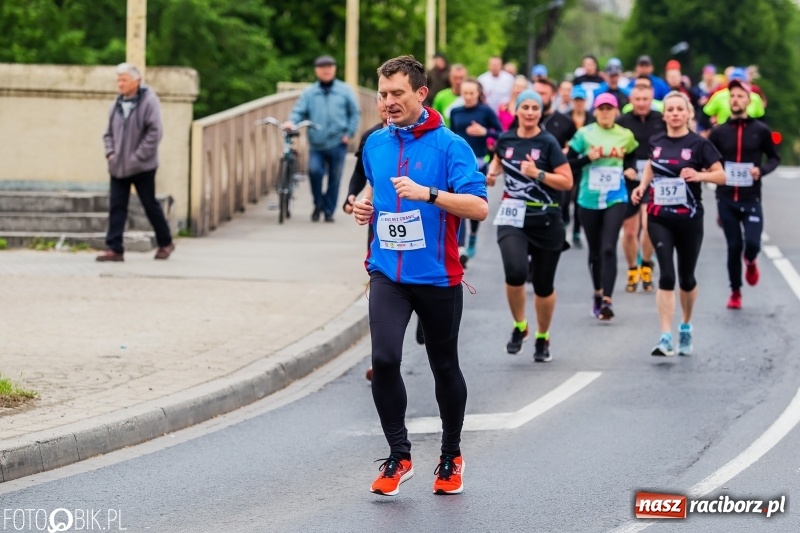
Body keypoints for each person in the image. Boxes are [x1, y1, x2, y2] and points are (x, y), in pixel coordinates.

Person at [352, 55, 488, 497]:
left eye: (397, 94)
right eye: (383, 94)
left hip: (437, 276)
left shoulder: (451, 146)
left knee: (443, 366)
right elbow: (372, 186)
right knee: (385, 360)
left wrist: (429, 194)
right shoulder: (374, 143)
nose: (388, 102)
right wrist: (362, 206)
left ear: (421, 94)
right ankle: (399, 455)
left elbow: (479, 207)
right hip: (387, 272)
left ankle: (451, 455)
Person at [631, 91, 726, 356]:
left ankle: (685, 325)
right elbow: (651, 164)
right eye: (670, 110)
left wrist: (699, 174)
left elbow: (722, 175)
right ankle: (664, 336)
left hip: (689, 219)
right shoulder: (657, 141)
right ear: (664, 115)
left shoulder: (699, 144)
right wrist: (642, 186)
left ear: (688, 114)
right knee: (667, 275)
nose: (674, 114)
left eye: (679, 110)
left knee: (686, 278)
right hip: (659, 216)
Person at [486, 89, 573, 362]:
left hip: (546, 220)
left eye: (535, 108)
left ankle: (542, 336)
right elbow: (498, 159)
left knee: (543, 285)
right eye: (525, 107)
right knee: (515, 271)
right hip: (512, 217)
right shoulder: (506, 138)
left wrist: (539, 173)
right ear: (517, 110)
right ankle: (520, 326)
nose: (530, 112)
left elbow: (567, 181)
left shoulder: (548, 143)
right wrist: (492, 172)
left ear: (541, 112)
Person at [708, 79, 781, 310]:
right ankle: (735, 291)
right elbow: (709, 160)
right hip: (726, 197)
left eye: (740, 96)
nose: (735, 100)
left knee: (751, 243)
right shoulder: (719, 132)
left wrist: (761, 170)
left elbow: (774, 158)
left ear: (749, 101)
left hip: (751, 197)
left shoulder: (760, 131)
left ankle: (751, 261)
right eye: (732, 96)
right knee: (733, 246)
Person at [567, 93, 638, 320]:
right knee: (596, 250)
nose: (606, 112)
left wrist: (631, 169)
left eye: (610, 108)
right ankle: (597, 292)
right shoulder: (584, 134)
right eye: (602, 108)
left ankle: (607, 299)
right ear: (595, 111)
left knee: (609, 247)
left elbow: (633, 157)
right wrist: (587, 158)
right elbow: (567, 162)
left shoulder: (625, 135)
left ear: (616, 111)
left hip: (616, 197)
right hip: (588, 197)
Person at [97, 63, 174, 262]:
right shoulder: (116, 104)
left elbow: (154, 132)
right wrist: (110, 154)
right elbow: (108, 134)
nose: (120, 83)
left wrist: (137, 157)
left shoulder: (149, 101)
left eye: (124, 79)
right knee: (117, 206)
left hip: (143, 166)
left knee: (150, 205)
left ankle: (165, 242)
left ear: (136, 81)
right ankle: (114, 248)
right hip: (118, 166)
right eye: (118, 79)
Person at [285, 55, 360, 223]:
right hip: (316, 142)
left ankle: (328, 210)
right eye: (322, 67)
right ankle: (318, 203)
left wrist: (349, 133)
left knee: (335, 178)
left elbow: (354, 113)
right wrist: (292, 121)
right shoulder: (310, 93)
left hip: (338, 141)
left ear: (334, 69)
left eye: (329, 67)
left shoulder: (345, 90)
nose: (326, 70)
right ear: (316, 71)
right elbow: (299, 111)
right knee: (314, 172)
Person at [616, 82, 665, 293]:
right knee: (629, 232)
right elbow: (616, 149)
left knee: (649, 224)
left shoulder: (660, 120)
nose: (642, 104)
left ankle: (646, 263)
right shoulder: (622, 122)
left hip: (653, 179)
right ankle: (632, 268)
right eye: (638, 100)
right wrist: (624, 167)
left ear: (651, 99)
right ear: (631, 101)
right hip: (629, 179)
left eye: (646, 100)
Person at [450, 79, 502, 262]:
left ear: (478, 93)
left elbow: (502, 133)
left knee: (474, 203)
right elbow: (451, 136)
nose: (468, 97)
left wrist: (485, 132)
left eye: (472, 93)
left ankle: (472, 234)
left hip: (479, 163)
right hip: (458, 164)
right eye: (465, 93)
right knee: (459, 203)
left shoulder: (485, 111)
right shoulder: (455, 112)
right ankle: (460, 246)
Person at [565, 85, 594, 248]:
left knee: (578, 199)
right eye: (576, 100)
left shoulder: (592, 118)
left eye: (581, 100)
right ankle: (563, 222)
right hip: (569, 161)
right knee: (565, 197)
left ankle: (576, 230)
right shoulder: (565, 118)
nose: (578, 103)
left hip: (587, 162)